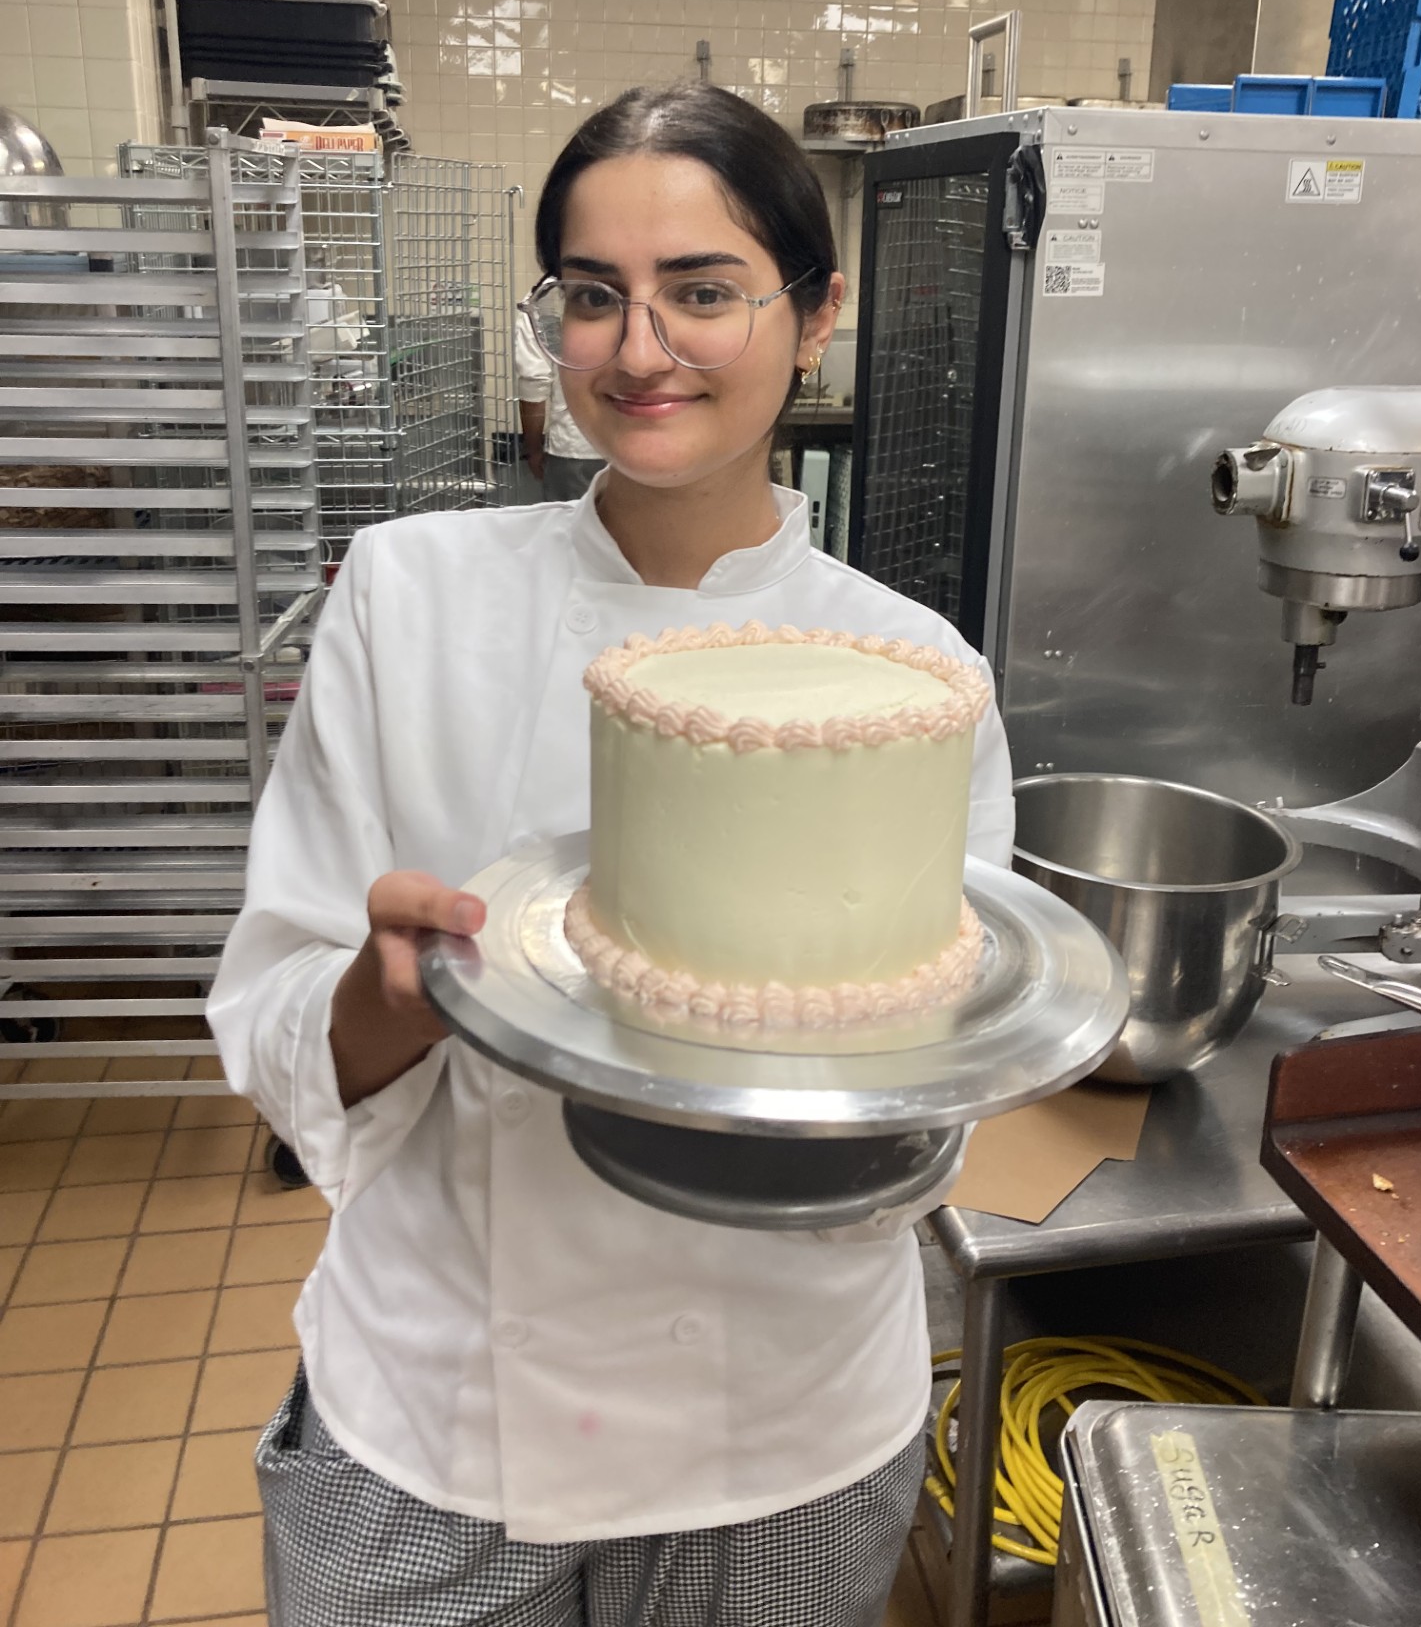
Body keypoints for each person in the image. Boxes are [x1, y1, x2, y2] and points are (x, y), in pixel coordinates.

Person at [209, 81, 1015, 1627]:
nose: (639, 351)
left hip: (774, 1423)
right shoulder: (404, 595)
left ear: (815, 311)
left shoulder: (912, 679)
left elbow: (928, 1090)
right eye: (593, 299)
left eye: (702, 291)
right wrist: (395, 992)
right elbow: (276, 1009)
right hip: (437, 1404)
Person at [515, 309, 607, 500]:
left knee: (572, 526)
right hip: (639, 447)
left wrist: (532, 448)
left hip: (574, 448)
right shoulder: (635, 289)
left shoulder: (541, 304)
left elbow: (534, 382)